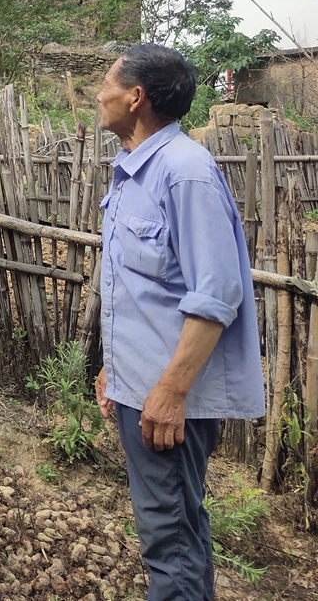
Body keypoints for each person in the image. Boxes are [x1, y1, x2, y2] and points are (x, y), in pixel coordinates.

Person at [92, 44, 264, 601]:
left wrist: (169, 390)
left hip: (168, 402)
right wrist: (113, 369)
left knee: (169, 542)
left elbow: (216, 294)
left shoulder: (185, 172)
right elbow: (143, 291)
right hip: (142, 388)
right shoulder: (134, 173)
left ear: (135, 98)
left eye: (107, 84)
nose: (99, 94)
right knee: (179, 530)